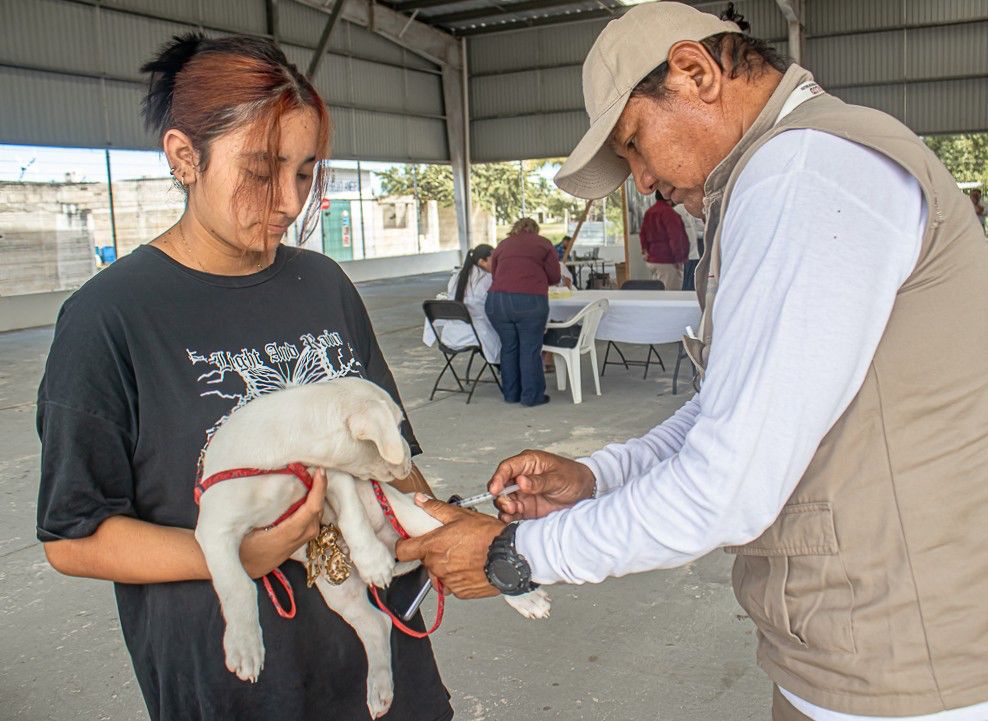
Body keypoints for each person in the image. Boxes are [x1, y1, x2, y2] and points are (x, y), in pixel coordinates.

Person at [395, 4, 988, 721]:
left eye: (635, 144)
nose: (641, 181)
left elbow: (725, 487)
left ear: (695, 72)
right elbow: (728, 407)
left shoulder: (803, 170)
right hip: (851, 646)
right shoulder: (785, 173)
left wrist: (513, 553)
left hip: (903, 662)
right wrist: (598, 476)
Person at [35, 34, 452, 721]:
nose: (288, 201)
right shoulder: (109, 318)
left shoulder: (324, 284)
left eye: (306, 171)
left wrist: (448, 529)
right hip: (243, 687)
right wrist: (241, 554)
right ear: (183, 157)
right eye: (262, 170)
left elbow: (392, 461)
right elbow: (73, 537)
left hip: (382, 669)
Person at [485, 218, 561, 406]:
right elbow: (555, 276)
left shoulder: (502, 245)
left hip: (497, 301)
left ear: (515, 229)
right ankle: (531, 397)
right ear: (535, 230)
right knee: (529, 349)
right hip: (530, 301)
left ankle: (511, 394)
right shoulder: (544, 244)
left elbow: (495, 274)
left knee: (509, 347)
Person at [423, 243, 500, 363]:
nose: (497, 263)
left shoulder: (457, 276)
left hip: (451, 335)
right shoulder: (486, 279)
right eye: (494, 260)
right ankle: (505, 369)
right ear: (482, 261)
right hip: (477, 335)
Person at [640, 190, 689, 289]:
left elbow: (643, 234)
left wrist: (645, 251)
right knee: (671, 297)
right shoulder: (669, 213)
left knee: (658, 294)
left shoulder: (649, 212)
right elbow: (676, 237)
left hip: (652, 260)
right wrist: (679, 259)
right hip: (667, 260)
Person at [673, 200, 701, 290]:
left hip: (693, 253)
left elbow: (698, 228)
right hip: (685, 255)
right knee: (686, 283)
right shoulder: (677, 210)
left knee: (691, 281)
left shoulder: (689, 209)